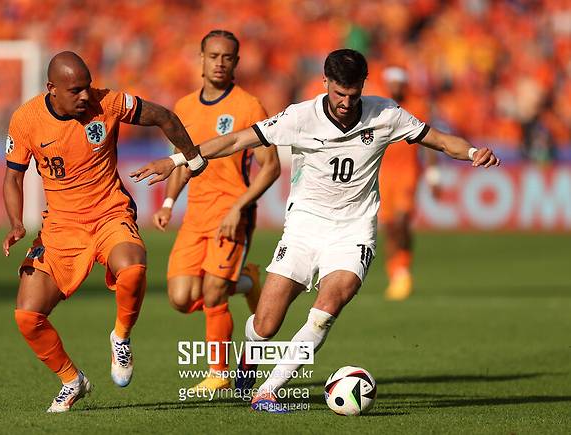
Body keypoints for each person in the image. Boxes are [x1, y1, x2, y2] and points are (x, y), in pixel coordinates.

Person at [131, 49, 500, 413]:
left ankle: (268, 391)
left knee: (326, 308)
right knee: (265, 324)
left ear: (362, 88)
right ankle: (249, 356)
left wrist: (471, 154)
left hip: (353, 231)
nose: (345, 102)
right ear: (325, 83)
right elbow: (236, 140)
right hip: (304, 228)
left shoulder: (385, 113)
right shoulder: (300, 117)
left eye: (353, 95)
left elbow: (439, 140)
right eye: (339, 93)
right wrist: (178, 159)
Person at [2, 51, 205, 413]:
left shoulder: (108, 102)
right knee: (27, 317)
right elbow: (13, 177)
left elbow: (165, 116)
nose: (85, 96)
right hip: (61, 229)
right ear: (52, 89)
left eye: (88, 87)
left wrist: (192, 156)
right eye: (76, 90)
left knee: (134, 267)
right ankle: (71, 380)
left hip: (109, 213)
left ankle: (121, 337)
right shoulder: (26, 119)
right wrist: (17, 223)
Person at [151, 30, 280, 393]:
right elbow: (182, 161)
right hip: (195, 215)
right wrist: (168, 202)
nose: (220, 63)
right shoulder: (185, 107)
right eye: (213, 56)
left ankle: (220, 371)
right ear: (201, 58)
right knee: (180, 298)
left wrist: (240, 206)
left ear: (236, 63)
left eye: (227, 57)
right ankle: (249, 280)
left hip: (231, 213)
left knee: (211, 293)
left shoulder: (249, 106)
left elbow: (269, 166)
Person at [378, 66, 440, 300]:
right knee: (390, 226)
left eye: (398, 83)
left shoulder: (417, 107)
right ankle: (395, 273)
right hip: (383, 172)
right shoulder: (378, 108)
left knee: (403, 220)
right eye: (391, 83)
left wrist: (434, 174)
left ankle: (403, 269)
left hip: (407, 171)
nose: (395, 87)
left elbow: (430, 140)